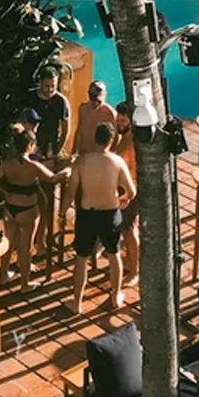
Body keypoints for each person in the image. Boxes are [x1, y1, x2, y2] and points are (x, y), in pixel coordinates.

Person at [0, 126, 69, 292]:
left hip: (10, 209)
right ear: (30, 145)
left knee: (8, 244)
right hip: (28, 210)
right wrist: (68, 170)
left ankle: (3, 277)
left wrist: (5, 191)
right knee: (26, 247)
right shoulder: (33, 166)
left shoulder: (6, 165)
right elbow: (53, 178)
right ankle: (25, 284)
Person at [67, 121, 136, 313]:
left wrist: (62, 211)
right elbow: (131, 191)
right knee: (114, 255)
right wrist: (122, 199)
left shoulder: (81, 161)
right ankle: (115, 297)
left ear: (94, 138)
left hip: (87, 214)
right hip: (110, 214)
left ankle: (77, 303)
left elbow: (71, 191)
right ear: (111, 140)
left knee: (81, 259)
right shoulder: (117, 162)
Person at [113, 100, 139, 286]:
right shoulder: (126, 136)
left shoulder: (129, 141)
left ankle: (135, 271)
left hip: (130, 191)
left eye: (123, 121)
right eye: (118, 121)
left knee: (129, 230)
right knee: (125, 229)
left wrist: (126, 196)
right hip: (126, 189)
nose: (120, 124)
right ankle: (131, 261)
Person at [34, 65, 71, 159]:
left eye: (53, 86)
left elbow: (66, 129)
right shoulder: (31, 98)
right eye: (47, 86)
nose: (50, 90)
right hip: (33, 144)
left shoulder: (61, 101)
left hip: (52, 144)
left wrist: (57, 151)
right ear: (41, 82)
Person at [74, 79, 118, 156]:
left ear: (104, 95)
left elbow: (115, 138)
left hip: (99, 156)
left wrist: (107, 155)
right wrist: (74, 151)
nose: (95, 103)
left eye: (98, 101)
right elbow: (79, 131)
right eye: (93, 99)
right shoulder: (83, 108)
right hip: (84, 154)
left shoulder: (110, 113)